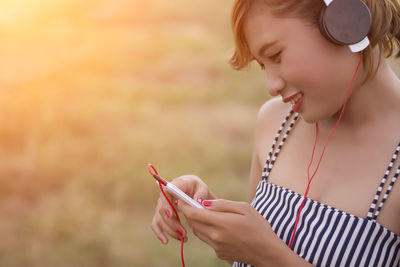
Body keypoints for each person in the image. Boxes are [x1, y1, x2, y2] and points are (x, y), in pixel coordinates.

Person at [151, 0, 400, 266]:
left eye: (276, 56)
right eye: (262, 65)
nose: (271, 86)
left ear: (345, 23)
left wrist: (270, 257)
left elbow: (265, 253)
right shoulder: (275, 123)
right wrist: (216, 217)